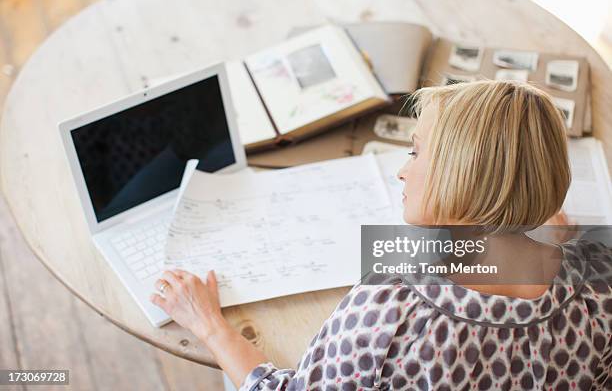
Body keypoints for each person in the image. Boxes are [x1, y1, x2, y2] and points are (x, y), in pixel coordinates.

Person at [150, 80, 612, 390]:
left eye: (415, 153)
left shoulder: (393, 311)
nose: (402, 172)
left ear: (459, 178)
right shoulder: (597, 286)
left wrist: (208, 323)